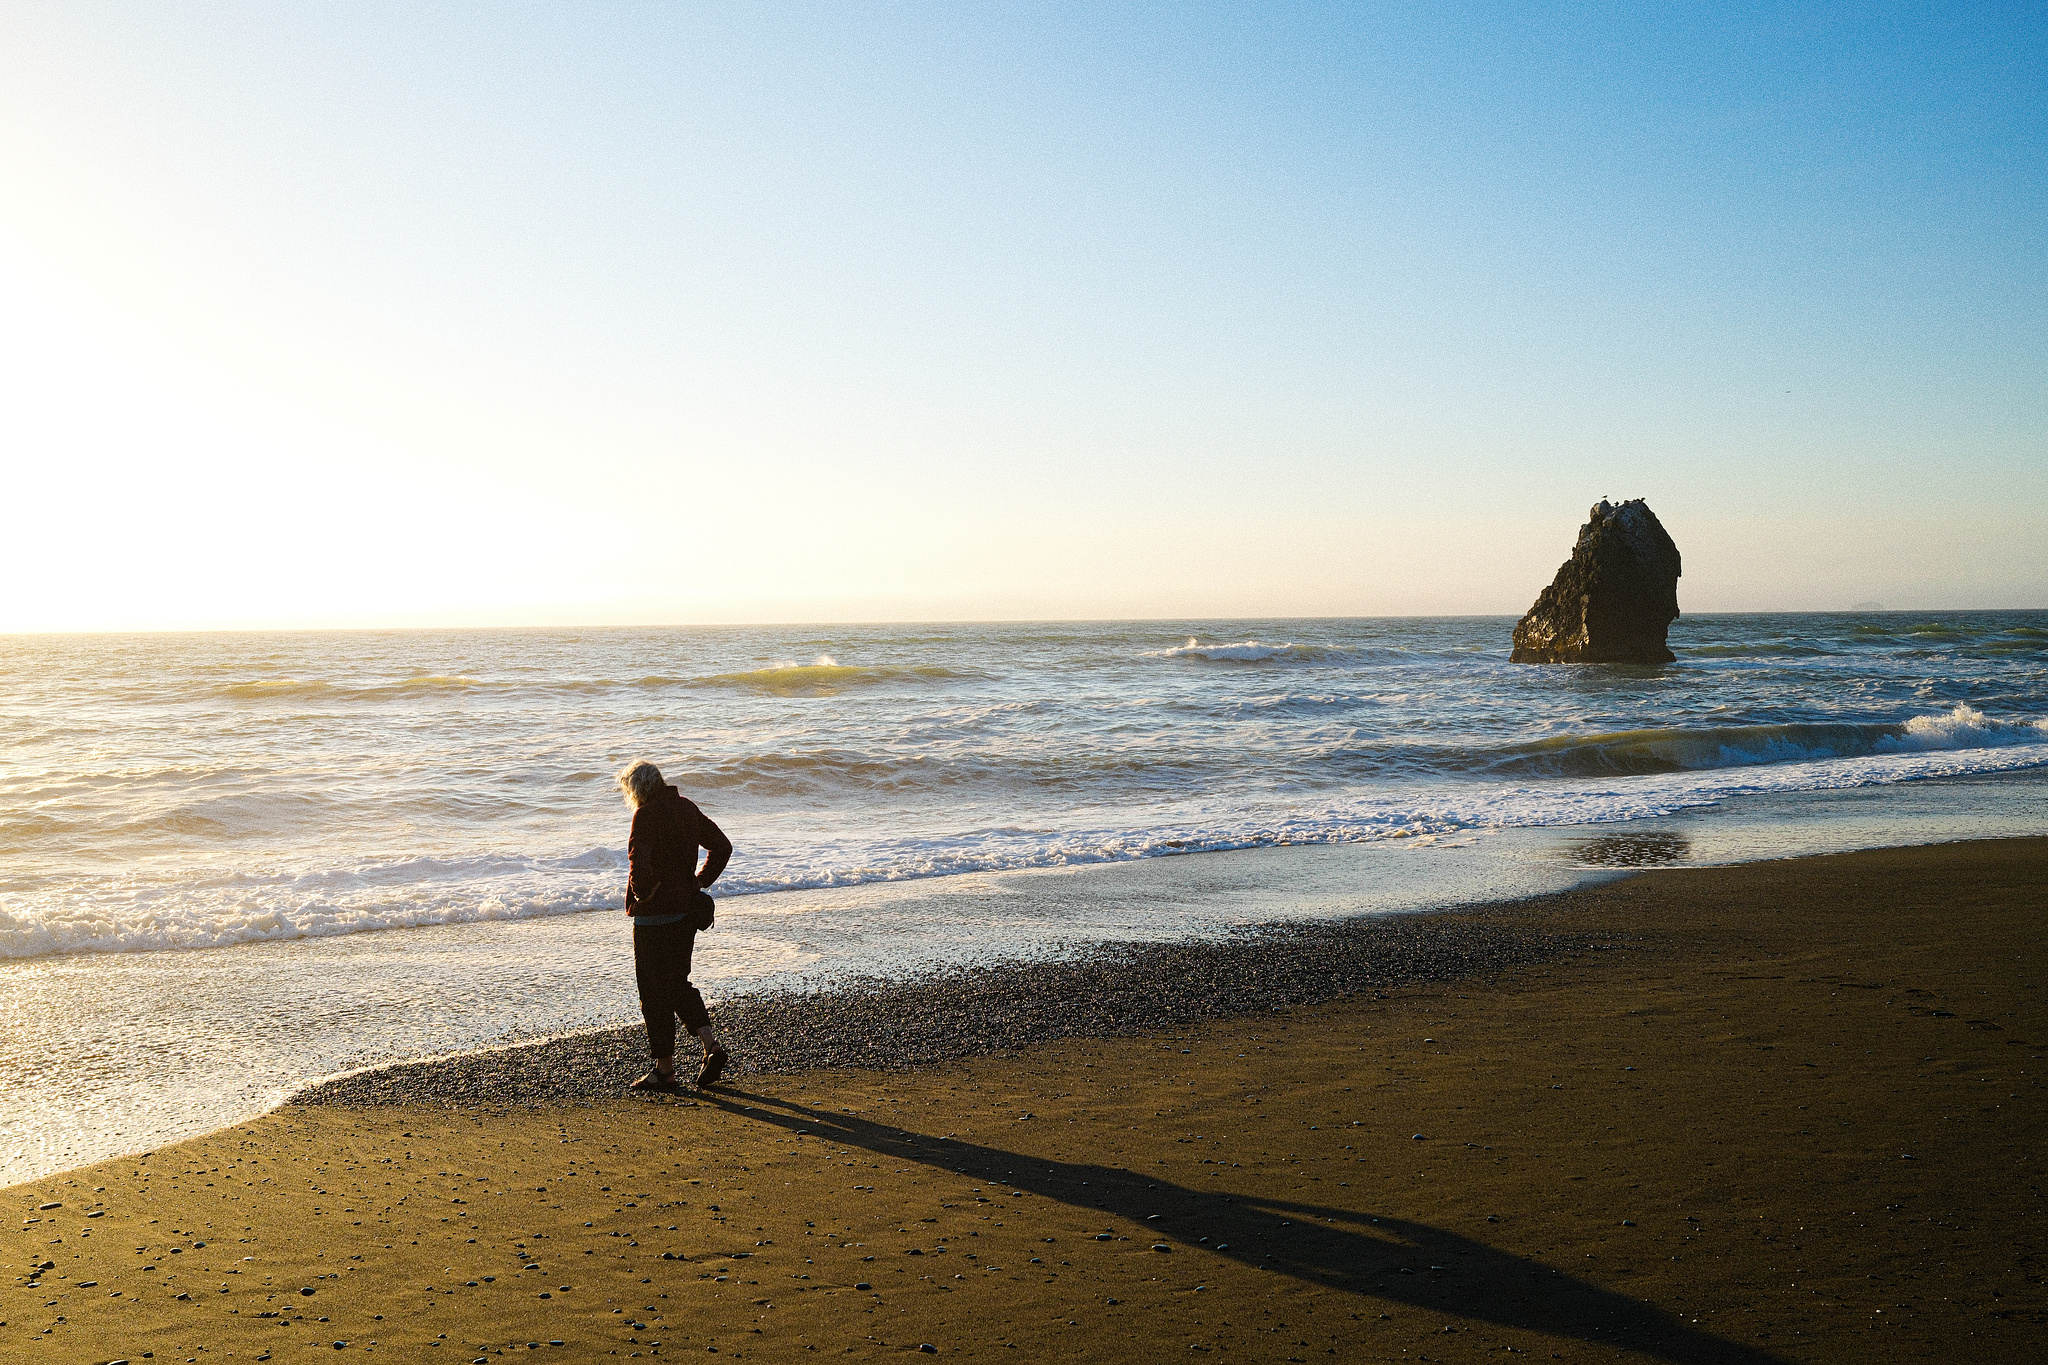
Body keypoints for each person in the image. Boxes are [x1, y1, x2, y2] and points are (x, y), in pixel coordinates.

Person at [616, 758, 734, 1091]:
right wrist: (698, 883)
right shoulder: (686, 808)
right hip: (685, 913)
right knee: (678, 983)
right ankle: (710, 1044)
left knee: (654, 992)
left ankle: (664, 1071)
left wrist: (643, 893)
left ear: (637, 789)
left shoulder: (645, 815)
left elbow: (638, 864)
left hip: (653, 918)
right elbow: (722, 846)